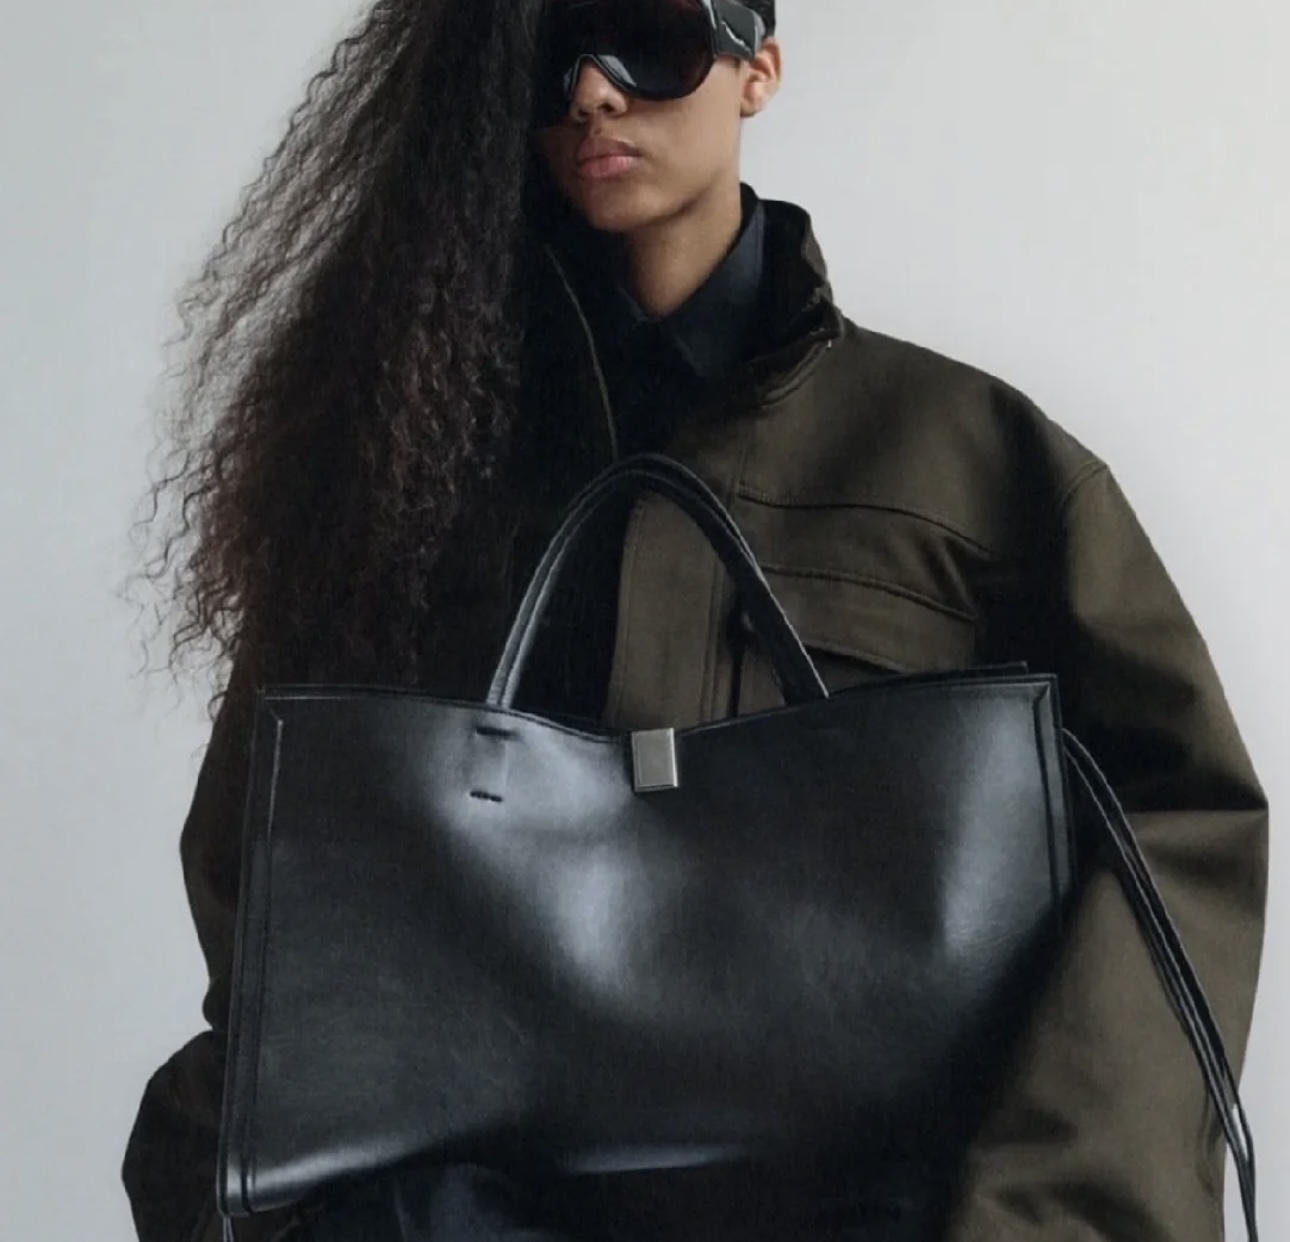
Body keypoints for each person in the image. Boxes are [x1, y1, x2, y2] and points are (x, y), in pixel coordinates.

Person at [123, 1, 1268, 1240]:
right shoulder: (405, 480)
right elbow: (270, 879)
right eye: (549, 60)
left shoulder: (974, 470)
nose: (593, 94)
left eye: (653, 43)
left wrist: (1027, 1220)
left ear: (756, 67)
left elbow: (1180, 842)